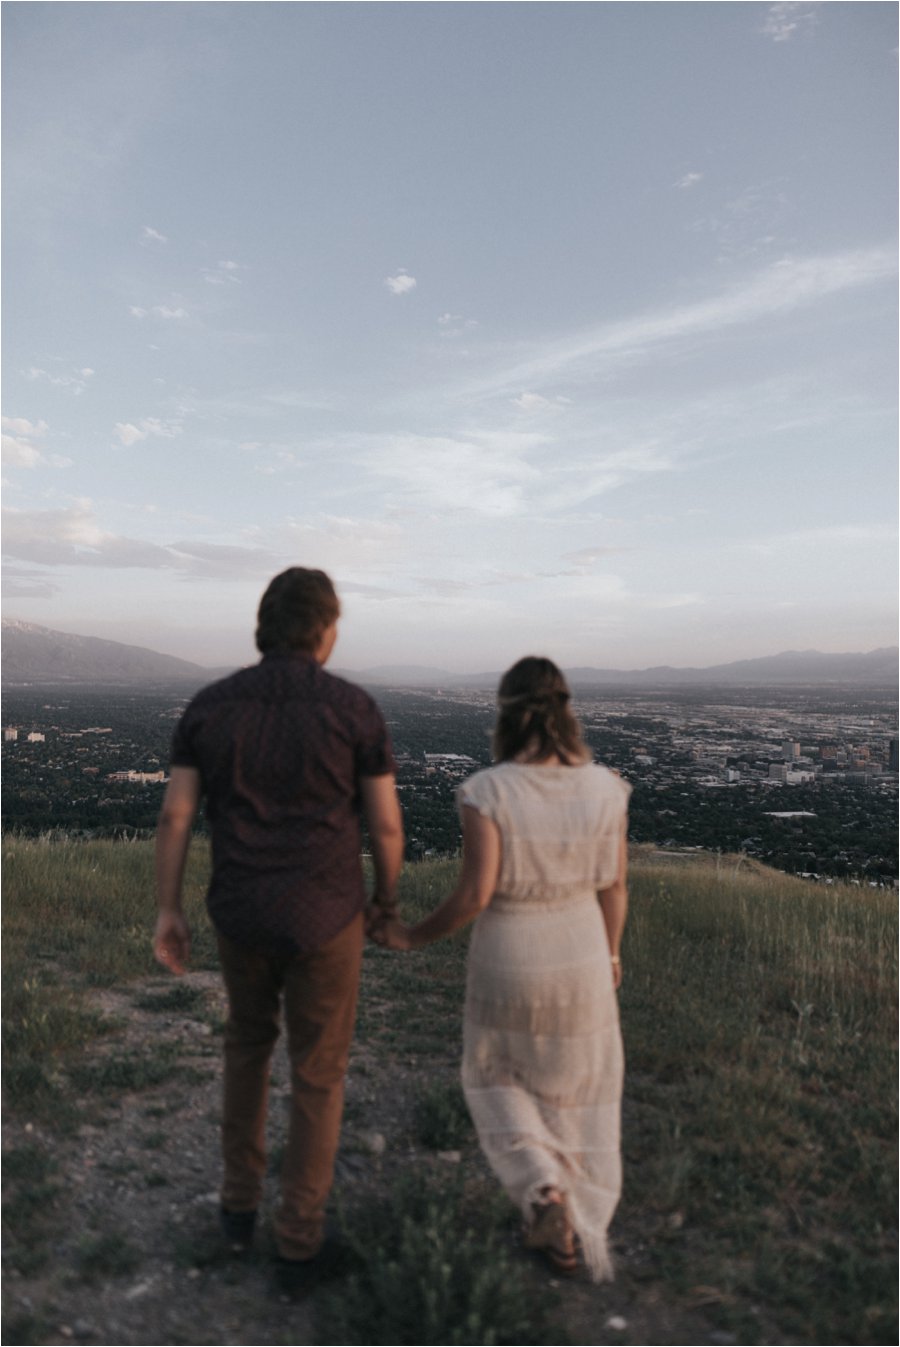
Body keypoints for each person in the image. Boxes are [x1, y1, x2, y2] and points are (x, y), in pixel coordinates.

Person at [153, 567, 403, 1289]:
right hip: (329, 915)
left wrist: (169, 908)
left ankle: (237, 1211)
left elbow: (175, 815)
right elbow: (384, 822)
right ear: (327, 630)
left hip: (241, 911)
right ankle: (298, 1241)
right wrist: (385, 900)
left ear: (262, 626)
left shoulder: (210, 706)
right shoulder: (354, 709)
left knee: (246, 1047)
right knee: (318, 1073)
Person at [372, 656, 630, 1281]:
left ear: (505, 714)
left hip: (510, 952)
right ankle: (570, 1210)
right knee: (579, 1081)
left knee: (498, 1072)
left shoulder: (489, 791)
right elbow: (615, 886)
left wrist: (409, 937)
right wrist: (613, 951)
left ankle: (544, 1191)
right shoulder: (607, 788)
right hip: (583, 950)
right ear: (567, 710)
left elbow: (474, 895)